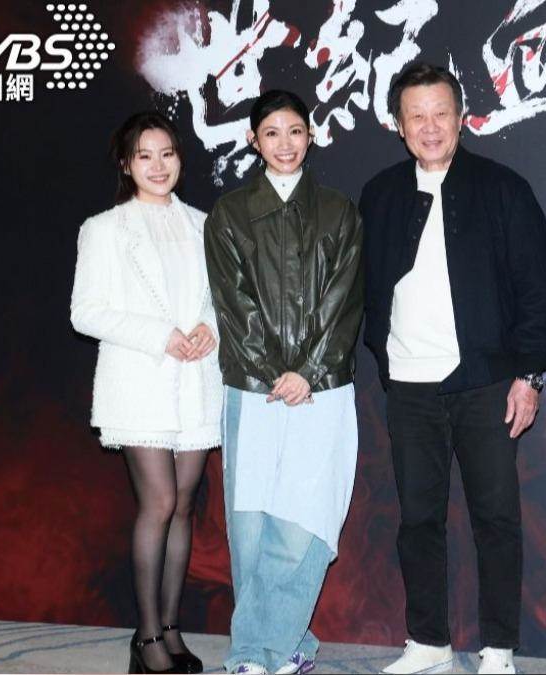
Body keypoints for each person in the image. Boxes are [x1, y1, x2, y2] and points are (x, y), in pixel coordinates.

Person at [360, 62, 546, 675]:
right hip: (409, 386)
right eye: (416, 116)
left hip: (486, 383)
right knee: (418, 520)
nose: (429, 126)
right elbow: (365, 290)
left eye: (440, 113)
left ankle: (499, 648)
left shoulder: (503, 188)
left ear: (461, 117)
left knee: (495, 519)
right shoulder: (381, 194)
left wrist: (529, 375)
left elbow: (536, 291)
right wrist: (384, 358)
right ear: (399, 126)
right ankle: (428, 642)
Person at [204, 89, 364, 675]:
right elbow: (234, 305)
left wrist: (309, 371)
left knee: (306, 519)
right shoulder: (229, 214)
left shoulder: (339, 211)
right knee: (250, 523)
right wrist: (276, 372)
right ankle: (267, 650)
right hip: (253, 390)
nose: (285, 143)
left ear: (311, 135)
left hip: (323, 389)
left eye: (295, 130)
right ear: (253, 141)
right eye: (271, 132)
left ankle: (262, 647)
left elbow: (346, 301)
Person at [71, 111, 221, 674]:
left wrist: (210, 327)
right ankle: (146, 636)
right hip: (139, 382)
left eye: (167, 154)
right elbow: (85, 312)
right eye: (144, 156)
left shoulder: (204, 224)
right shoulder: (104, 228)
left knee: (182, 505)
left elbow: (220, 300)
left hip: (196, 381)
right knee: (157, 503)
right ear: (126, 164)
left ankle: (172, 630)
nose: (158, 166)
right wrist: (161, 336)